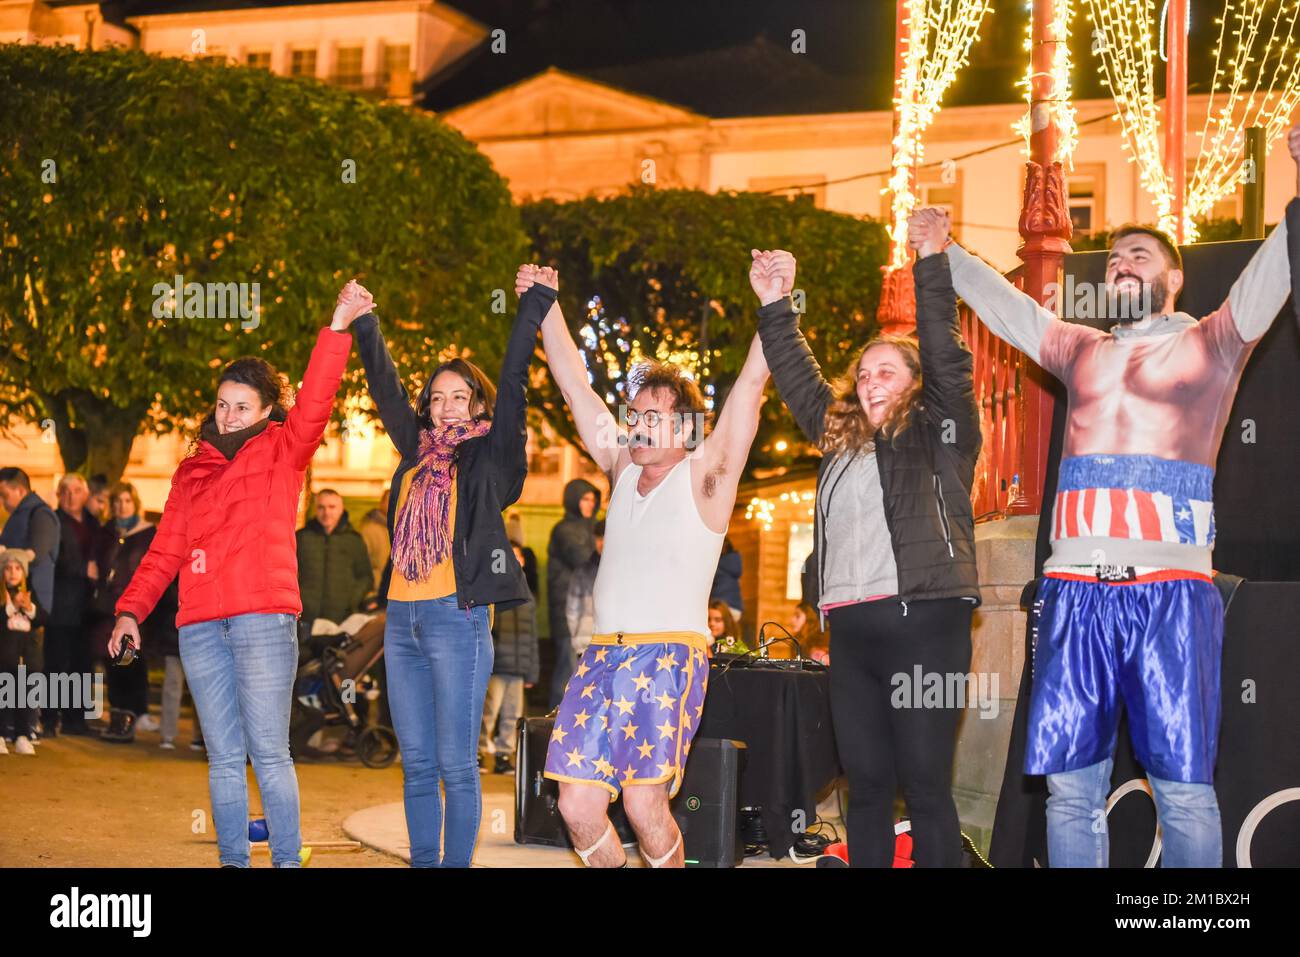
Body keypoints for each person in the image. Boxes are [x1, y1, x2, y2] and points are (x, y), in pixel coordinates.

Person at [922, 126, 1300, 869]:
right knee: (1070, 792)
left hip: (1172, 594)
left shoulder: (1212, 344)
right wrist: (946, 250)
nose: (1122, 261)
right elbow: (1010, 311)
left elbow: (1270, 276)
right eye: (1116, 253)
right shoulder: (1080, 349)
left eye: (1142, 253)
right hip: (1073, 593)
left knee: (1184, 790)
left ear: (1174, 278)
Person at [109, 279, 367, 868]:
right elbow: (163, 552)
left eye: (241, 406)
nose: (228, 414)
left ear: (267, 410)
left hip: (263, 620)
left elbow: (318, 402)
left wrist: (338, 325)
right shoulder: (190, 471)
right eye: (222, 403)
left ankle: (282, 859)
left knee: (269, 753)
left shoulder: (284, 450)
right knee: (223, 757)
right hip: (200, 626)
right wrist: (129, 611)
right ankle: (233, 861)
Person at [532, 253, 771, 869]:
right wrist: (548, 305)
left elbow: (749, 388)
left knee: (644, 808)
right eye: (634, 415)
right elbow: (575, 387)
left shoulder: (706, 479)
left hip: (669, 655)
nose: (636, 426)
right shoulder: (619, 467)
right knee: (576, 807)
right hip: (602, 655)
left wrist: (773, 303)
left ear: (689, 429)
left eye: (653, 417)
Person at [758, 237, 981, 867]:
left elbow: (946, 353)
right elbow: (799, 378)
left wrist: (931, 263)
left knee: (926, 784)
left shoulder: (942, 431)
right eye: (862, 372)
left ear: (916, 383)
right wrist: (776, 303)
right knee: (868, 785)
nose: (869, 381)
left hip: (925, 624)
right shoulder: (839, 439)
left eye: (886, 371)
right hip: (852, 630)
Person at [352, 269, 553, 868]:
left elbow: (515, 378)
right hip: (401, 619)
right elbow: (385, 386)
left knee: (456, 766)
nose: (444, 407)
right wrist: (366, 320)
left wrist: (534, 303)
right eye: (436, 397)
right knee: (415, 765)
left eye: (458, 396)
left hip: (456, 620)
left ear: (478, 404)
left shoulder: (492, 458)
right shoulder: (414, 454)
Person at [94, 482, 175, 744]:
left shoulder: (147, 534)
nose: (121, 506)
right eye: (117, 501)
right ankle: (120, 715)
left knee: (130, 662)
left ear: (134, 503)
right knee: (113, 663)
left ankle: (135, 712)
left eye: (127, 501)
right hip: (107, 611)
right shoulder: (106, 533)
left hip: (134, 612)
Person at [0, 467, 59, 740]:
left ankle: (28, 724)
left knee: (30, 665)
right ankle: (12, 724)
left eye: (4, 494)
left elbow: (36, 552)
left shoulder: (40, 514)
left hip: (31, 605)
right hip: (14, 602)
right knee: (10, 664)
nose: (3, 501)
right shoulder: (22, 514)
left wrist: (9, 557)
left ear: (19, 489)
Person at [47, 474, 101, 736]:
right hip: (61, 604)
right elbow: (53, 559)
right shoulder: (53, 521)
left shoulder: (94, 523)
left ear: (85, 494)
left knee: (83, 664)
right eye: (65, 491)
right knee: (57, 664)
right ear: (58, 495)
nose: (70, 496)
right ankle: (48, 719)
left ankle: (75, 720)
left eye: (76, 490)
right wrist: (85, 570)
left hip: (88, 607)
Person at [480, 544, 540, 775]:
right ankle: (480, 753)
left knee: (512, 714)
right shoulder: (492, 590)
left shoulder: (528, 596)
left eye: (518, 557)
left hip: (518, 668)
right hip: (496, 666)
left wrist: (532, 671)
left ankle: (504, 755)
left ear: (523, 561)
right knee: (488, 712)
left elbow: (532, 637)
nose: (515, 561)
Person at [546, 479, 600, 708]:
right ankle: (554, 725)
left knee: (587, 672)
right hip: (568, 611)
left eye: (592, 499)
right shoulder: (565, 530)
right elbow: (583, 560)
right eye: (584, 498)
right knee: (567, 669)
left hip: (590, 611)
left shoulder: (592, 529)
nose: (590, 504)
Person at [296, 488, 373, 626]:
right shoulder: (301, 538)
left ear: (341, 509)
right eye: (321, 507)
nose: (326, 512)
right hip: (306, 621)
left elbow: (366, 577)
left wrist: (351, 599)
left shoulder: (354, 540)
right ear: (315, 509)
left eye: (332, 507)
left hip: (342, 621)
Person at [0, 548, 45, 755]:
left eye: (18, 568)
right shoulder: (3, 597)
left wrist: (29, 608)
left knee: (24, 700)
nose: (12, 572)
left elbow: (43, 618)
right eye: (8, 568)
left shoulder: (31, 592)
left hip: (25, 660)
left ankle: (23, 735)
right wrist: (10, 608)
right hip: (4, 659)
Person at [564, 519, 604, 659]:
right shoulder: (581, 572)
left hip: (614, 644)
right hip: (586, 644)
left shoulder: (620, 570)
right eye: (599, 538)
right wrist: (578, 637)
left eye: (605, 538)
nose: (602, 543)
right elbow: (572, 611)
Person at [359, 488, 391, 592]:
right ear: (382, 503)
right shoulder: (369, 530)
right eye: (390, 500)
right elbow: (360, 567)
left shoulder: (404, 531)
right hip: (376, 594)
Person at [710, 537, 744, 623]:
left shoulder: (716, 564)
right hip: (736, 607)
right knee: (729, 633)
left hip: (720, 606)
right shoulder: (735, 561)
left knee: (714, 631)